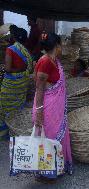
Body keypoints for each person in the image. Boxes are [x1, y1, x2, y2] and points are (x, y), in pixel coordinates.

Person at [33, 33, 72, 182]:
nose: (62, 48)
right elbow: (40, 89)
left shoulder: (54, 60)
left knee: (56, 139)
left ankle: (55, 169)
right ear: (57, 46)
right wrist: (39, 111)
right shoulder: (45, 62)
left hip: (56, 108)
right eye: (61, 45)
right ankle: (45, 173)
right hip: (46, 108)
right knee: (48, 139)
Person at [0, 27, 32, 139]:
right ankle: (16, 128)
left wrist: (5, 67)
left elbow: (8, 69)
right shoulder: (25, 50)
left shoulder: (11, 49)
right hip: (22, 82)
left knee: (5, 105)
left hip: (11, 83)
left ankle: (5, 132)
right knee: (18, 105)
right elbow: (28, 67)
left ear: (14, 37)